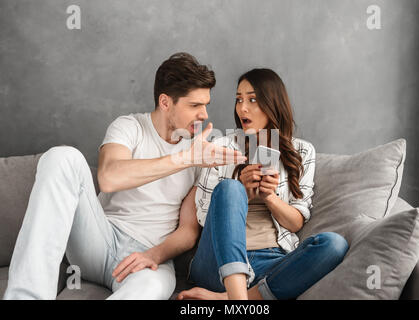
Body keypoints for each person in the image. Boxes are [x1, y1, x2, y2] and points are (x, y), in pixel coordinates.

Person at [3, 52, 245, 300]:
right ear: (165, 102)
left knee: (151, 289)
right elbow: (109, 178)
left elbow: (188, 231)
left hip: (148, 255)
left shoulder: (200, 154)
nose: (204, 115)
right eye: (194, 105)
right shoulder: (130, 127)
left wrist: (154, 255)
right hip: (99, 239)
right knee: (62, 157)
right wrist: (184, 159)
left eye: (205, 105)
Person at [177, 68, 349, 300]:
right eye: (239, 99)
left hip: (271, 261)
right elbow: (205, 217)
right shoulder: (222, 146)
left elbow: (296, 221)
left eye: (252, 99)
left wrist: (270, 198)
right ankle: (239, 302)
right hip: (216, 263)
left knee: (334, 244)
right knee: (230, 188)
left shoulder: (302, 151)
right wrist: (243, 191)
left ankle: (227, 299)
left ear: (272, 103)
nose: (242, 108)